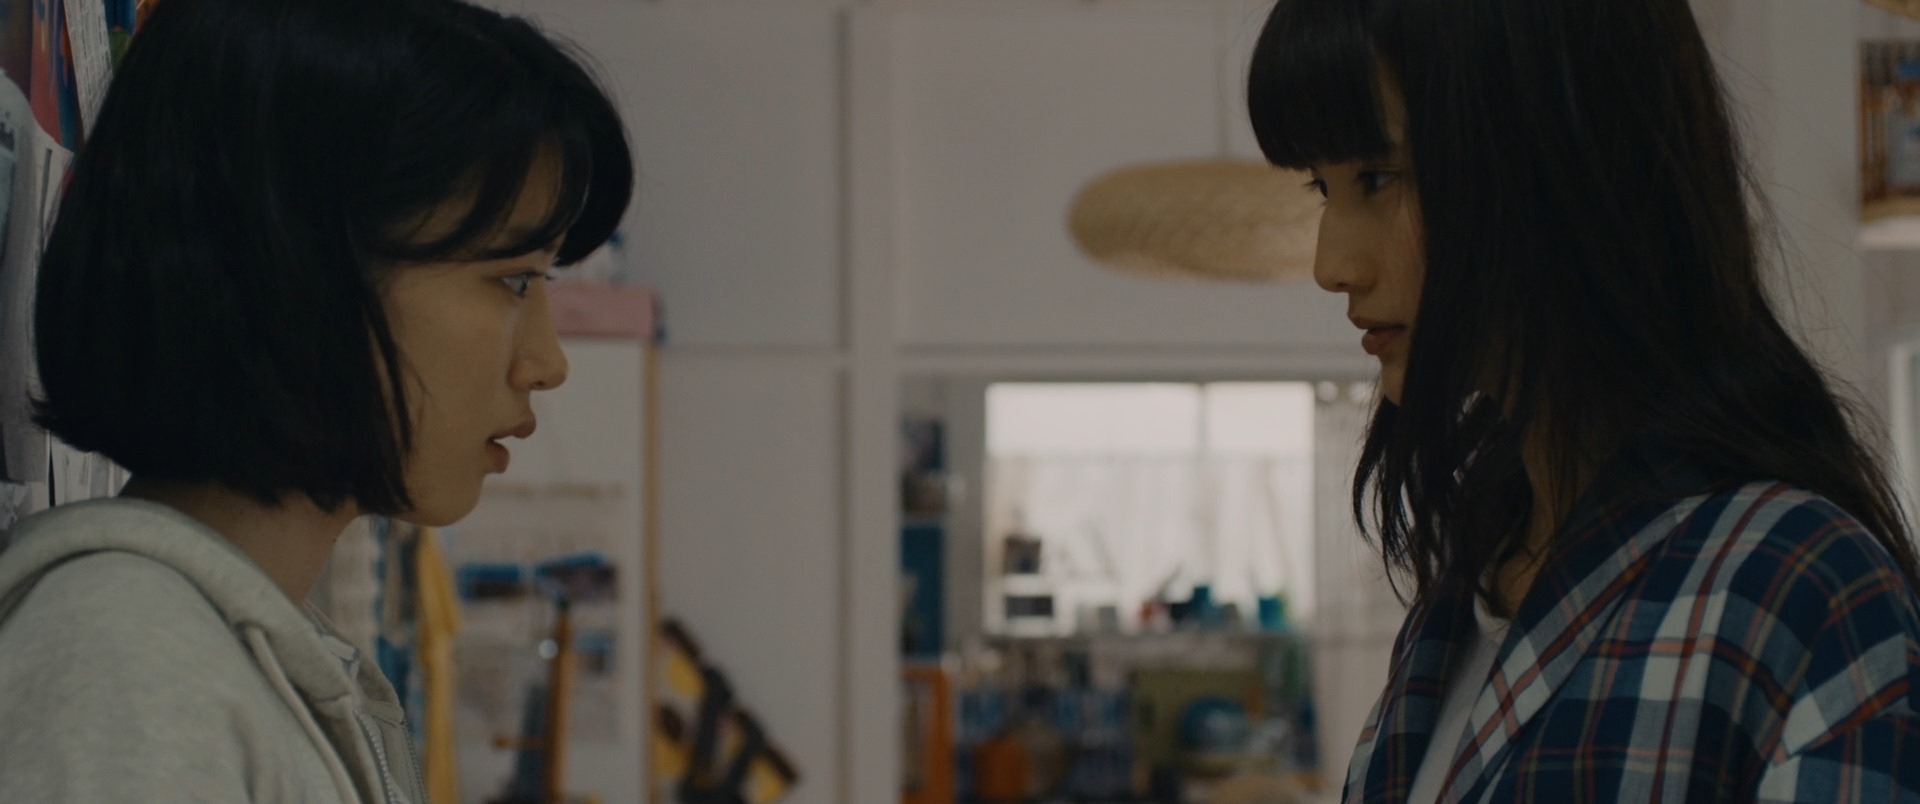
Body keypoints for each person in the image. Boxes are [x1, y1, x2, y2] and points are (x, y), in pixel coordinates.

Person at [1247, 0, 1920, 801]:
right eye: (1323, 186)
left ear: (1562, 162)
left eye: (1379, 177)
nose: (1332, 264)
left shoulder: (1797, 585)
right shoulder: (1468, 593)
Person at [0, 0, 632, 799]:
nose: (547, 363)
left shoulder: (240, 657)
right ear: (298, 268)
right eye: (514, 280)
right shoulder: (131, 668)